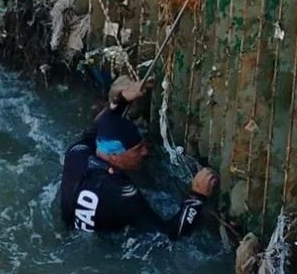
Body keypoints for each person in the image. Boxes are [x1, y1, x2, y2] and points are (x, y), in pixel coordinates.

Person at [60, 78, 218, 238]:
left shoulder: (77, 153)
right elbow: (169, 234)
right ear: (114, 156)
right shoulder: (124, 195)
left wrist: (122, 99)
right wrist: (197, 196)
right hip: (105, 247)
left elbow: (101, 124)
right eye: (137, 150)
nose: (145, 152)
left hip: (72, 231)